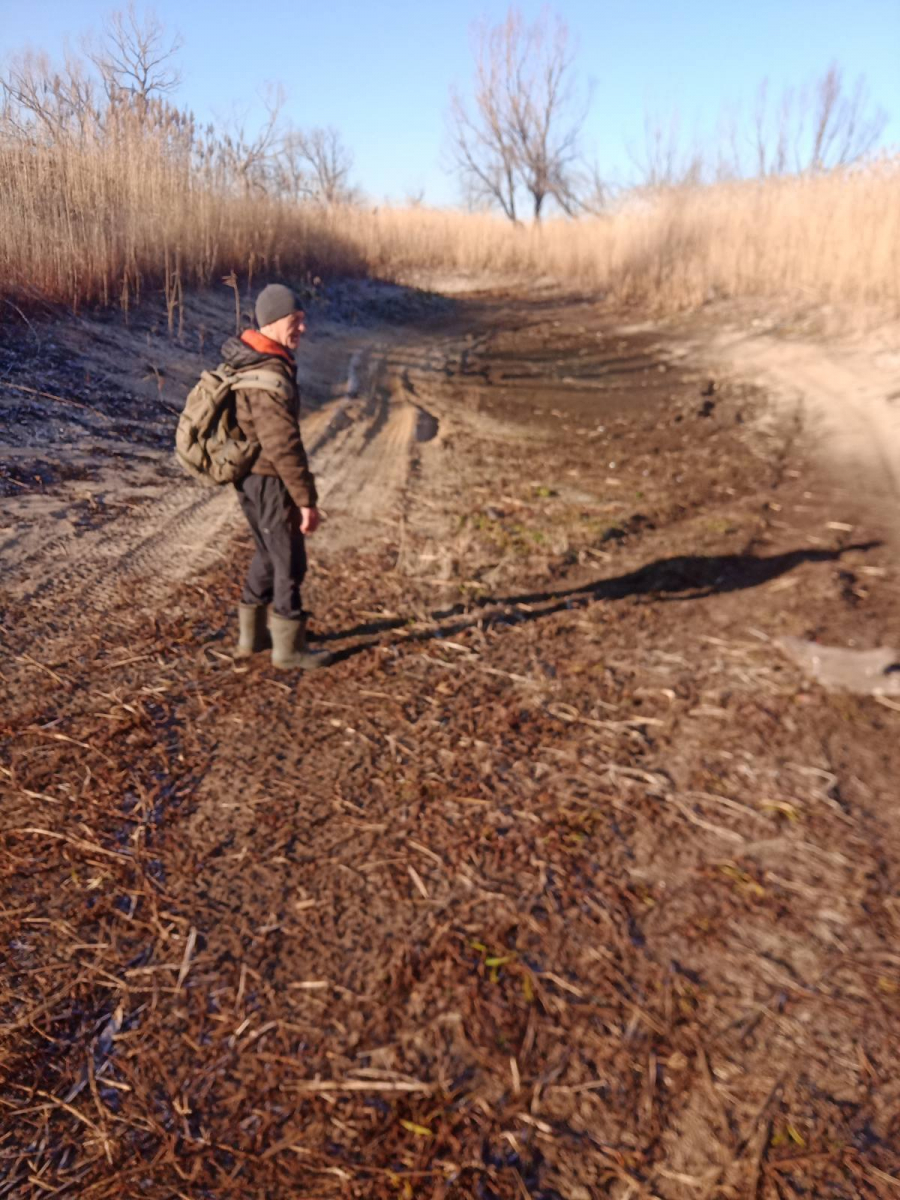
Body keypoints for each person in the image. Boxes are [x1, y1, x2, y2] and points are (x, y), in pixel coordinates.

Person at [221, 283, 331, 670]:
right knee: (288, 560)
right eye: (295, 321)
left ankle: (253, 638)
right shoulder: (267, 373)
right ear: (271, 321)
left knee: (270, 554)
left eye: (303, 321)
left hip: (252, 477)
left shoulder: (254, 361)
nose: (302, 329)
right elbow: (282, 445)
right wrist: (306, 500)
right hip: (268, 479)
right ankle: (289, 649)